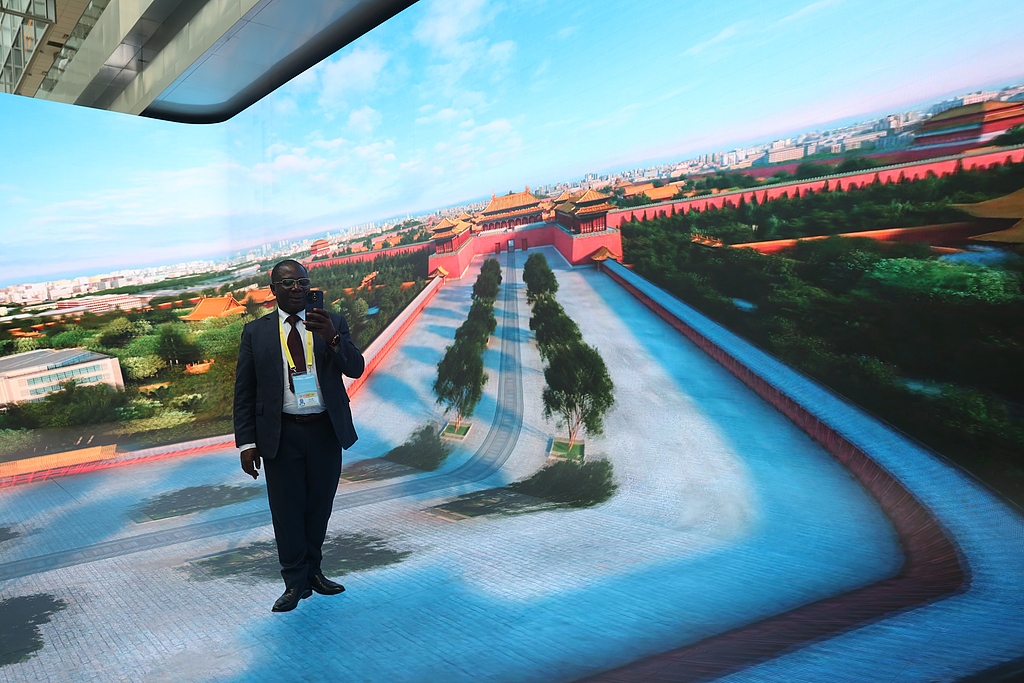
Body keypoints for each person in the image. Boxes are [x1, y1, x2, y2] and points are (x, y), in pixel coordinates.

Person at [233, 259, 364, 612]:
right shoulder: (255, 333)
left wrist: (332, 339)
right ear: (272, 289)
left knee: (318, 508)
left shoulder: (331, 322)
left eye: (302, 282)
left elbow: (355, 368)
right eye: (287, 284)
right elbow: (245, 391)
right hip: (281, 434)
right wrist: (247, 443)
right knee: (287, 512)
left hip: (325, 430)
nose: (296, 289)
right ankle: (294, 583)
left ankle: (315, 573)